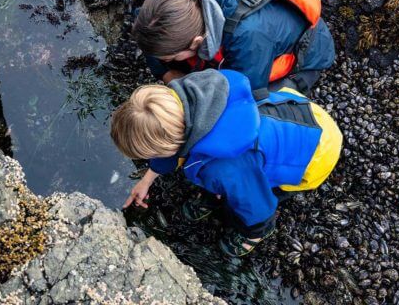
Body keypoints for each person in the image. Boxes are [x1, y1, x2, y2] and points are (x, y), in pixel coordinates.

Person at [110, 68, 342, 256]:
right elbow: (171, 148)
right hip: (297, 112)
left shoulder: (225, 166)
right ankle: (218, 194)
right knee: (227, 178)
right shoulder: (191, 97)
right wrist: (147, 179)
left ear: (169, 146)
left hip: (316, 153)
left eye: (152, 154)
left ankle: (257, 233)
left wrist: (255, 227)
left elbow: (256, 203)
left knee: (243, 199)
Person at [132, 0, 335, 95]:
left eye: (170, 57)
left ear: (196, 41)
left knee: (262, 105)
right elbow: (145, 31)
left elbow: (244, 99)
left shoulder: (248, 38)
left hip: (307, 53)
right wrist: (166, 73)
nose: (166, 60)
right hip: (258, 27)